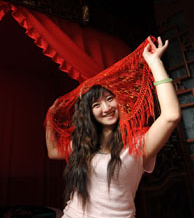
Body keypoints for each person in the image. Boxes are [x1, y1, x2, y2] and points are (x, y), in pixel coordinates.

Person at [45, 36, 181, 217]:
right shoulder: (84, 144)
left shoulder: (138, 143)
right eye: (96, 105)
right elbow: (53, 151)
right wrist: (49, 119)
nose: (106, 108)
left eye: (110, 99)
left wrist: (154, 62)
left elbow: (171, 116)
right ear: (89, 114)